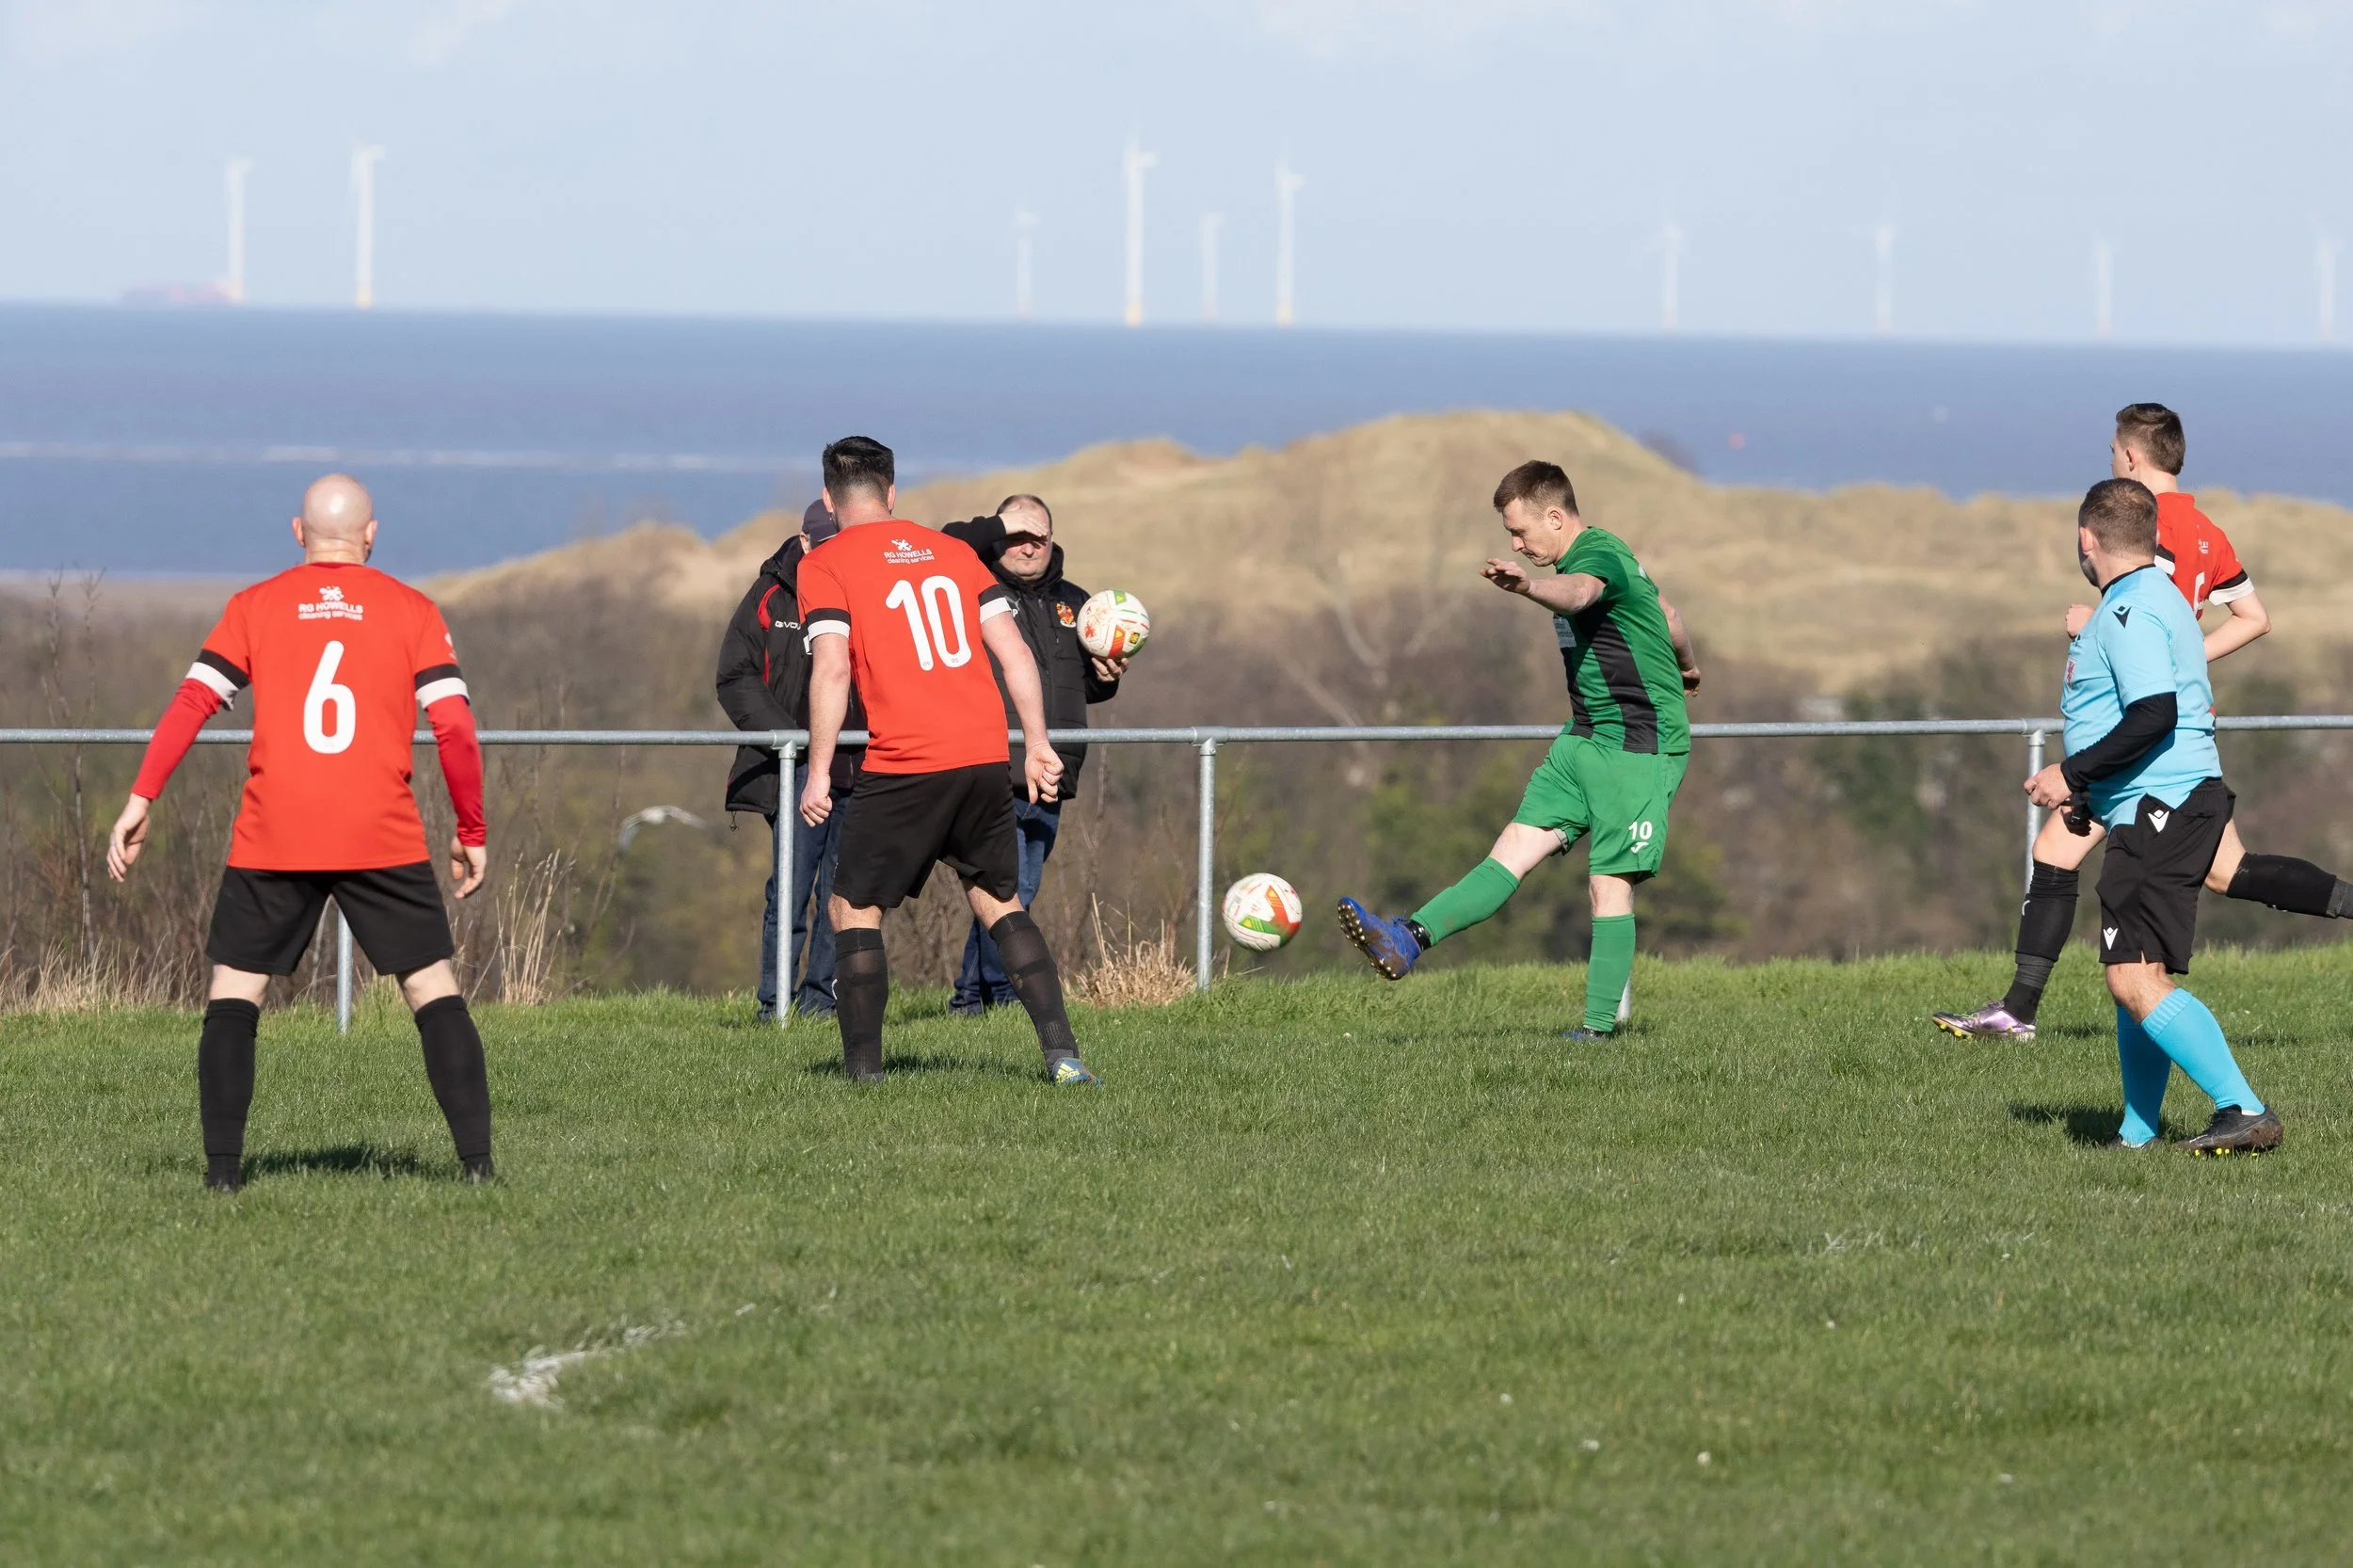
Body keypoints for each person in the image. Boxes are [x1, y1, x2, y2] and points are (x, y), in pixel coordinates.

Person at [104, 473, 496, 1192]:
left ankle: (223, 1179)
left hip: (275, 831)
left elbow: (194, 700)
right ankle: (479, 1171)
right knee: (433, 989)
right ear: (371, 536)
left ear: (297, 533)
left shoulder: (254, 607)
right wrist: (471, 827)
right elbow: (455, 729)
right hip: (381, 832)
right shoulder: (413, 610)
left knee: (234, 994)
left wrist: (141, 795)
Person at [1935, 402, 2353, 1041]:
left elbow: (2138, 618)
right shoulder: (2209, 530)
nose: (2110, 458)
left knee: (2064, 856)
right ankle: (2019, 1010)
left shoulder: (2143, 528)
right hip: (2178, 731)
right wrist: (2188, 661)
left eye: (2112, 450)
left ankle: (2020, 1013)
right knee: (2225, 871)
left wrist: (2100, 630)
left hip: (2143, 738)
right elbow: (2255, 618)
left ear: (2131, 456)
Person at [1335, 459, 1702, 1040]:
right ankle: (1408, 938)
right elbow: (1670, 615)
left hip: (1638, 743)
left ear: (1556, 516)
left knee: (1609, 884)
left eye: (1521, 531)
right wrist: (1686, 663)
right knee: (1509, 854)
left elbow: (1581, 595)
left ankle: (1599, 1031)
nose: (1515, 543)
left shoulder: (1597, 556)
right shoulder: (1610, 558)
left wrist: (1529, 586)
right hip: (1583, 739)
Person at [795, 436, 1098, 1085]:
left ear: (829, 498)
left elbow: (830, 672)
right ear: (892, 491)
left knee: (851, 908)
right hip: (985, 756)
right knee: (998, 897)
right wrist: (1038, 742)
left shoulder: (825, 563)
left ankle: (863, 1076)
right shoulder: (954, 552)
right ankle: (1064, 1058)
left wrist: (819, 770)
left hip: (907, 759)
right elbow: (1015, 653)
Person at [2022, 478, 2280, 1153]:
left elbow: (2153, 713)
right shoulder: (2160, 596)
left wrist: (2070, 773)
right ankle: (2136, 1135)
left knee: (2131, 977)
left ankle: (2243, 1108)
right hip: (2156, 802)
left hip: (2160, 808)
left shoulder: (2130, 610)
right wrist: (2092, 787)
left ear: (2086, 539)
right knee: (2138, 976)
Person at [936, 494, 1125, 1016]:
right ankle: (992, 998)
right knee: (1010, 890)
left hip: (1055, 767)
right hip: (994, 763)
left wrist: (1105, 678)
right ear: (998, 535)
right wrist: (998, 523)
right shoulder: (971, 585)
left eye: (1037, 535)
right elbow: (943, 541)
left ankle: (975, 999)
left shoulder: (1080, 605)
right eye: (1016, 534)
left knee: (1018, 891)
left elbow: (1078, 688)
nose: (1027, 545)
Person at [716, 498, 864, 1019]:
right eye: (825, 546)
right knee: (792, 889)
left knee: (843, 892)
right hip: (792, 767)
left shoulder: (870, 590)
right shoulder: (770, 595)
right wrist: (792, 741)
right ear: (804, 542)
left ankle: (821, 1002)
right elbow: (734, 676)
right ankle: (773, 1005)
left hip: (862, 764)